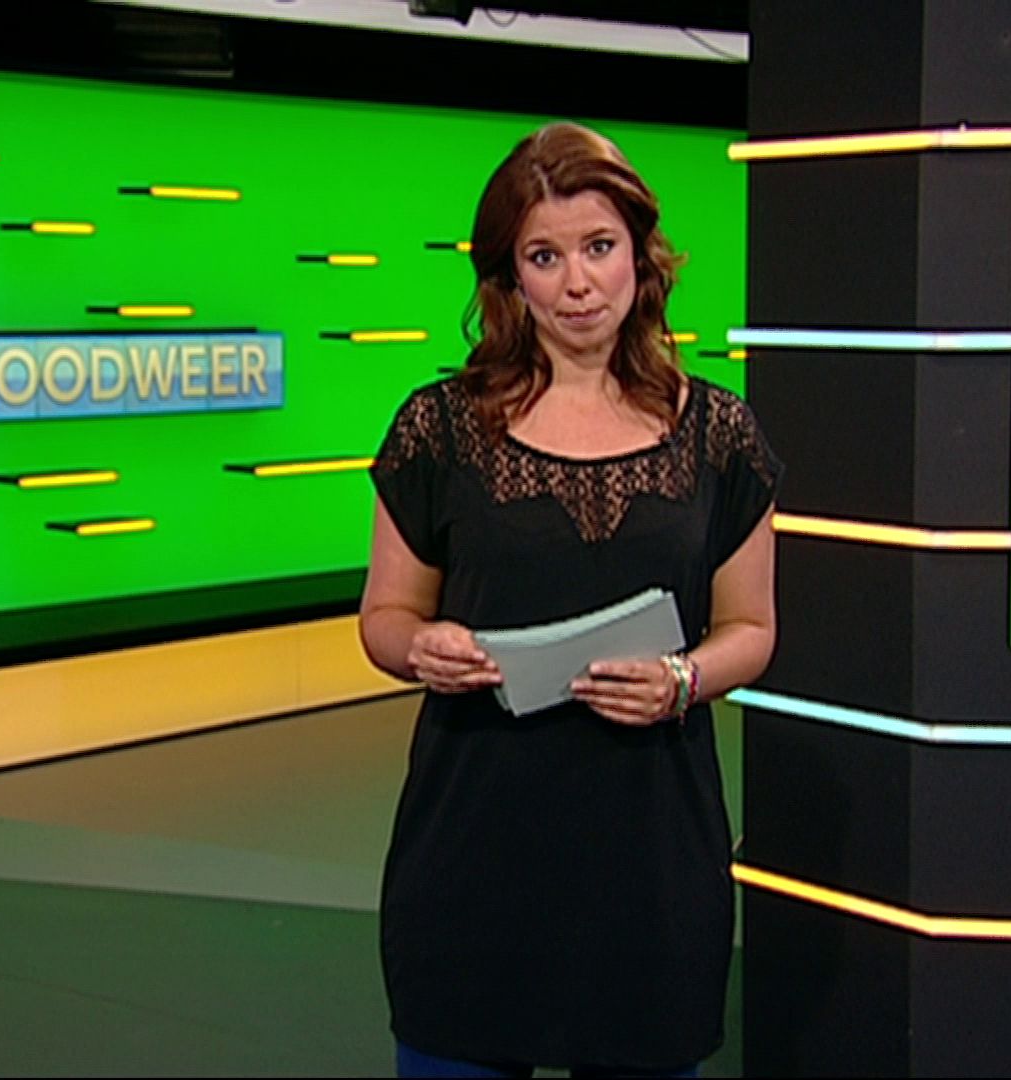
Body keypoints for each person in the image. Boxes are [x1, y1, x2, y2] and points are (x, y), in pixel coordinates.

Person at [359, 121, 781, 1079]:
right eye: (544, 257)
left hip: (649, 859)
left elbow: (752, 627)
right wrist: (421, 648)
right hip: (473, 850)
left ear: (641, 254)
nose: (577, 283)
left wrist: (682, 680)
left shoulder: (721, 435)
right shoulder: (438, 429)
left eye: (598, 247)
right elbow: (384, 619)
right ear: (510, 277)